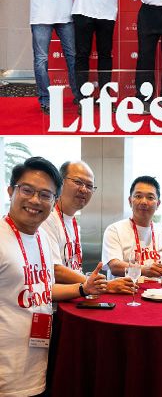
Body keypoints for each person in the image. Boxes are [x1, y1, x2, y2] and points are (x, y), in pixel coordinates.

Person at [0, 157, 107, 396]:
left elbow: (44, 288)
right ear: (10, 191)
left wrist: (84, 289)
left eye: (45, 194)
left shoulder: (40, 239)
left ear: (54, 199)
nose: (35, 200)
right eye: (27, 190)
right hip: (5, 375)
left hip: (35, 367)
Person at [40, 160, 133, 293]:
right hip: (55, 303)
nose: (84, 189)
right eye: (78, 182)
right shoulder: (48, 218)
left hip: (76, 295)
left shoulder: (73, 222)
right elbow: (55, 269)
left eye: (89, 186)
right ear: (60, 182)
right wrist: (104, 285)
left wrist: (96, 282)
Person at [101, 176, 162, 279]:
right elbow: (114, 266)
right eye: (138, 196)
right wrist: (144, 270)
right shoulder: (114, 230)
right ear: (130, 201)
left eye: (150, 197)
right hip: (125, 292)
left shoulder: (160, 232)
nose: (144, 202)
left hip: (156, 293)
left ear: (158, 204)